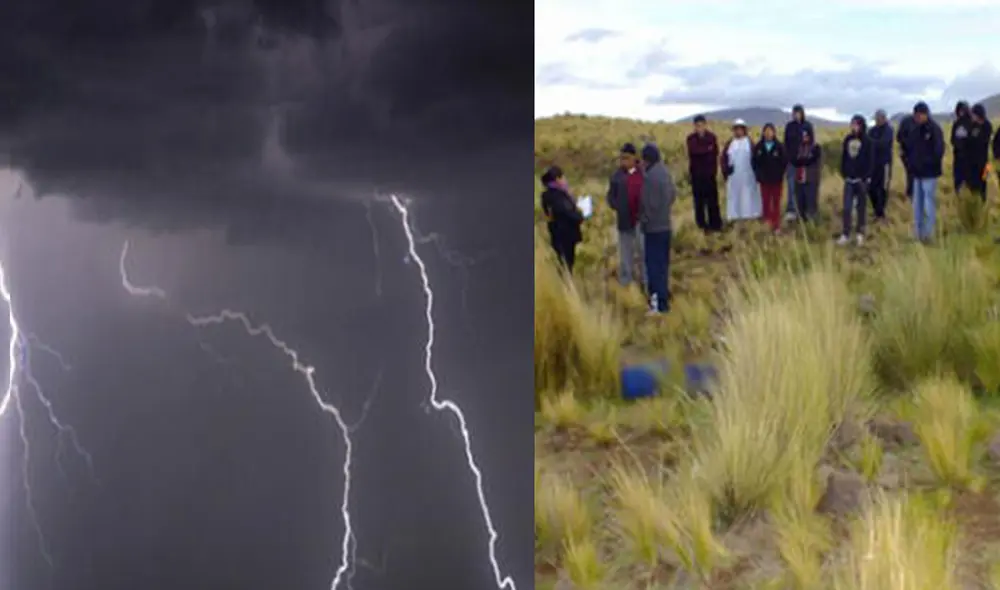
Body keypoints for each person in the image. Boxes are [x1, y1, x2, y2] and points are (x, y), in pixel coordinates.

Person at [639, 143, 676, 315]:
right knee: (663, 266)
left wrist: (644, 221)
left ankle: (658, 305)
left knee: (653, 266)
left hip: (653, 228)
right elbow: (673, 195)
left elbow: (647, 204)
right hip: (666, 225)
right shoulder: (666, 173)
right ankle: (663, 302)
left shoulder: (649, 177)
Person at [903, 102, 945, 243]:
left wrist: (927, 163)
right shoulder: (915, 130)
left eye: (920, 115)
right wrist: (911, 163)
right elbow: (910, 148)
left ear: (926, 114)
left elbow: (938, 150)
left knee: (928, 203)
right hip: (917, 173)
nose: (917, 117)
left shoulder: (934, 129)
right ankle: (918, 233)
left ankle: (928, 233)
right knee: (917, 204)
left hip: (929, 173)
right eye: (916, 115)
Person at [606, 143, 645, 287]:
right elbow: (610, 196)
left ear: (635, 158)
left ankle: (644, 279)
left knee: (643, 251)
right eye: (621, 158)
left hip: (641, 220)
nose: (624, 161)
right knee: (625, 253)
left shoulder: (643, 173)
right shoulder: (616, 176)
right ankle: (626, 280)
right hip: (624, 220)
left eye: (627, 158)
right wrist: (617, 205)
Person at [838, 115, 875, 246]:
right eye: (852, 124)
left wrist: (866, 177)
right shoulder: (847, 139)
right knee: (847, 208)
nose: (853, 127)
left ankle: (860, 233)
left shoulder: (868, 141)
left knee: (861, 208)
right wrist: (843, 171)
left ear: (861, 125)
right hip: (849, 179)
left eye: (856, 124)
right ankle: (845, 234)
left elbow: (870, 161)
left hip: (861, 180)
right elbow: (844, 157)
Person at [540, 165, 583, 272]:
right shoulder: (557, 196)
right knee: (566, 263)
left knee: (564, 262)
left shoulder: (548, 195)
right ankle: (566, 286)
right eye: (562, 177)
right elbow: (565, 212)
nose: (565, 180)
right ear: (557, 179)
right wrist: (580, 216)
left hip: (557, 232)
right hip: (565, 233)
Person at [685, 115, 723, 232]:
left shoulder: (712, 137)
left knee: (712, 202)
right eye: (697, 126)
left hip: (710, 174)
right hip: (697, 175)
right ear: (694, 126)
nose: (699, 128)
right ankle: (702, 225)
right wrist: (707, 150)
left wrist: (705, 151)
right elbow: (694, 151)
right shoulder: (691, 139)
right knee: (699, 203)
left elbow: (715, 153)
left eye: (701, 125)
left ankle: (715, 225)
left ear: (705, 125)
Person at [721, 119, 761, 222]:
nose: (738, 131)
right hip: (734, 176)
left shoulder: (750, 142)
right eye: (736, 129)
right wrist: (726, 170)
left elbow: (756, 158)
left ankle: (750, 216)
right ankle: (734, 217)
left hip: (748, 175)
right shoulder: (730, 143)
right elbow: (723, 158)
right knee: (734, 196)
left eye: (740, 129)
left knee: (748, 195)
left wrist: (757, 173)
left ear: (744, 130)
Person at [751, 123, 786, 234]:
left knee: (776, 202)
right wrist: (758, 175)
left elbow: (784, 162)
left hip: (776, 180)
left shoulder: (779, 146)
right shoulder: (759, 147)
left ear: (774, 132)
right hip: (764, 180)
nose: (768, 133)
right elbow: (754, 162)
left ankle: (776, 225)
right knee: (765, 201)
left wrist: (780, 174)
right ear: (763, 132)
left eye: (770, 131)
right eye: (766, 131)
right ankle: (767, 223)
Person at [783, 104, 815, 221]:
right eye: (794, 113)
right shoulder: (789, 127)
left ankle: (804, 210)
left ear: (802, 113)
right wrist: (787, 158)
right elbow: (785, 143)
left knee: (804, 188)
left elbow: (812, 143)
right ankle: (791, 210)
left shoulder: (808, 126)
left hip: (804, 163)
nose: (796, 115)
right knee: (791, 187)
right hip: (791, 162)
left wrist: (808, 157)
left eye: (798, 113)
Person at [790, 128, 822, 223]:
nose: (804, 138)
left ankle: (812, 223)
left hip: (811, 179)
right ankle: (801, 221)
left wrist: (802, 161)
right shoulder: (798, 148)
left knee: (811, 202)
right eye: (802, 136)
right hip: (799, 179)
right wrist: (802, 161)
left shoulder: (816, 148)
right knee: (800, 201)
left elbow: (811, 161)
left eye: (806, 136)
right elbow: (794, 161)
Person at [867, 109, 894, 222]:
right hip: (872, 164)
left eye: (879, 118)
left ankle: (881, 214)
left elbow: (883, 144)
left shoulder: (888, 130)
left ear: (884, 118)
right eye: (876, 119)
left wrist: (872, 142)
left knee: (882, 189)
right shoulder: (872, 130)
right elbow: (867, 143)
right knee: (871, 188)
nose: (877, 121)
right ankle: (876, 211)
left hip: (884, 164)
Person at [966, 103, 993, 202]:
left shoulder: (987, 126)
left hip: (985, 163)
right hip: (971, 163)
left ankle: (982, 205)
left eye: (973, 114)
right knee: (972, 186)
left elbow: (983, 141)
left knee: (983, 184)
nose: (971, 116)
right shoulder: (972, 126)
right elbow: (968, 141)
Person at [951, 101, 973, 193]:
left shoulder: (971, 123)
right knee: (958, 180)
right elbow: (952, 139)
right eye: (959, 111)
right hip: (958, 157)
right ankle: (958, 195)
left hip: (969, 158)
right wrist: (957, 145)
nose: (961, 113)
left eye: (963, 110)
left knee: (970, 181)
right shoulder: (956, 124)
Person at [896, 113, 916, 198]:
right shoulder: (907, 122)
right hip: (907, 152)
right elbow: (899, 137)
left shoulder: (906, 122)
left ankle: (911, 193)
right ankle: (911, 193)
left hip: (911, 152)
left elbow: (898, 137)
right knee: (912, 173)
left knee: (911, 173)